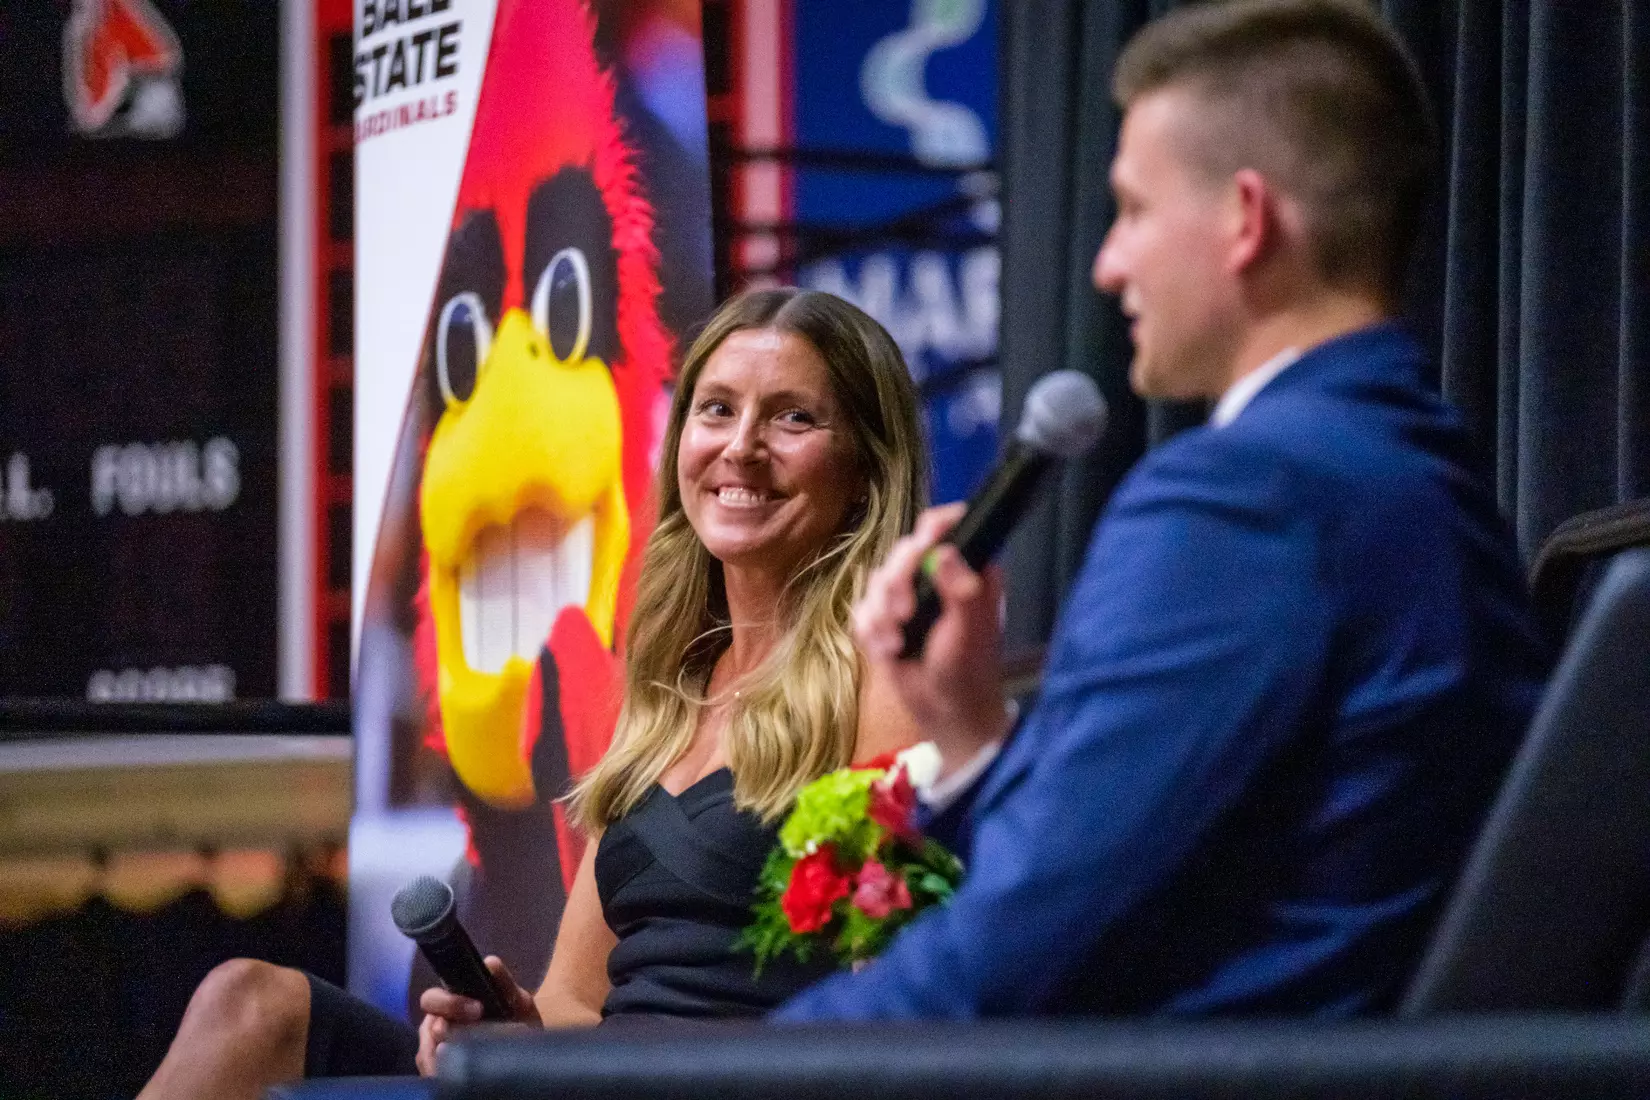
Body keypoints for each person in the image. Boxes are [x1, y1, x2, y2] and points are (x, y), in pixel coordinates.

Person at [774, 0, 1550, 1020]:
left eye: (1134, 210)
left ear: (1245, 218)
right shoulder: (1417, 469)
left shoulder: (1246, 497)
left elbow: (1008, 964)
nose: (1107, 263)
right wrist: (968, 731)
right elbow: (1157, 885)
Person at [136, 287, 928, 1099]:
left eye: (793, 418)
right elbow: (576, 1000)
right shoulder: (667, 694)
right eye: (718, 410)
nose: (741, 447)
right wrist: (513, 1034)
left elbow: (916, 1005)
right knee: (251, 1006)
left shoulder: (891, 688)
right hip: (585, 1080)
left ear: (866, 471)